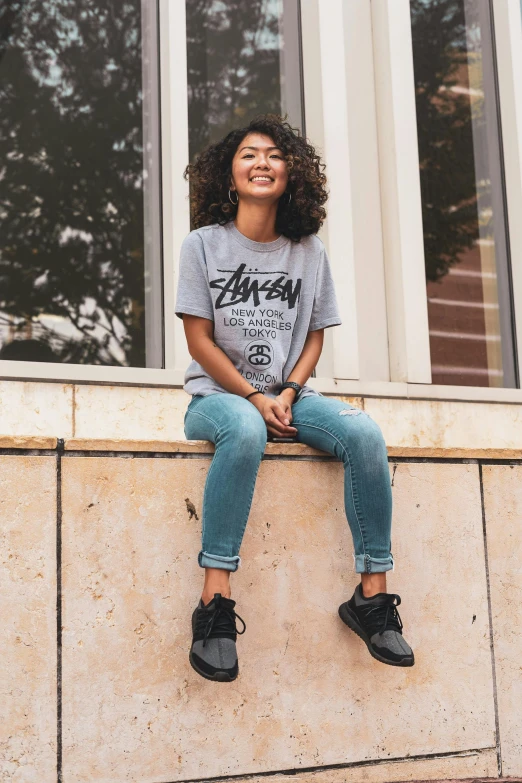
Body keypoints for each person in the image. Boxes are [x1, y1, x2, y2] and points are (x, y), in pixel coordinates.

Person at [175, 114, 414, 682]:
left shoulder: (308, 252)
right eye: (249, 155)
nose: (262, 162)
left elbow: (313, 337)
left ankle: (371, 596)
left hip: (288, 393)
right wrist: (257, 399)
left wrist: (287, 390)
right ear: (229, 176)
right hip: (219, 396)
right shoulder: (203, 245)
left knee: (362, 432)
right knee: (247, 429)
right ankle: (213, 604)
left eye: (275, 155)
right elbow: (199, 341)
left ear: (291, 174)